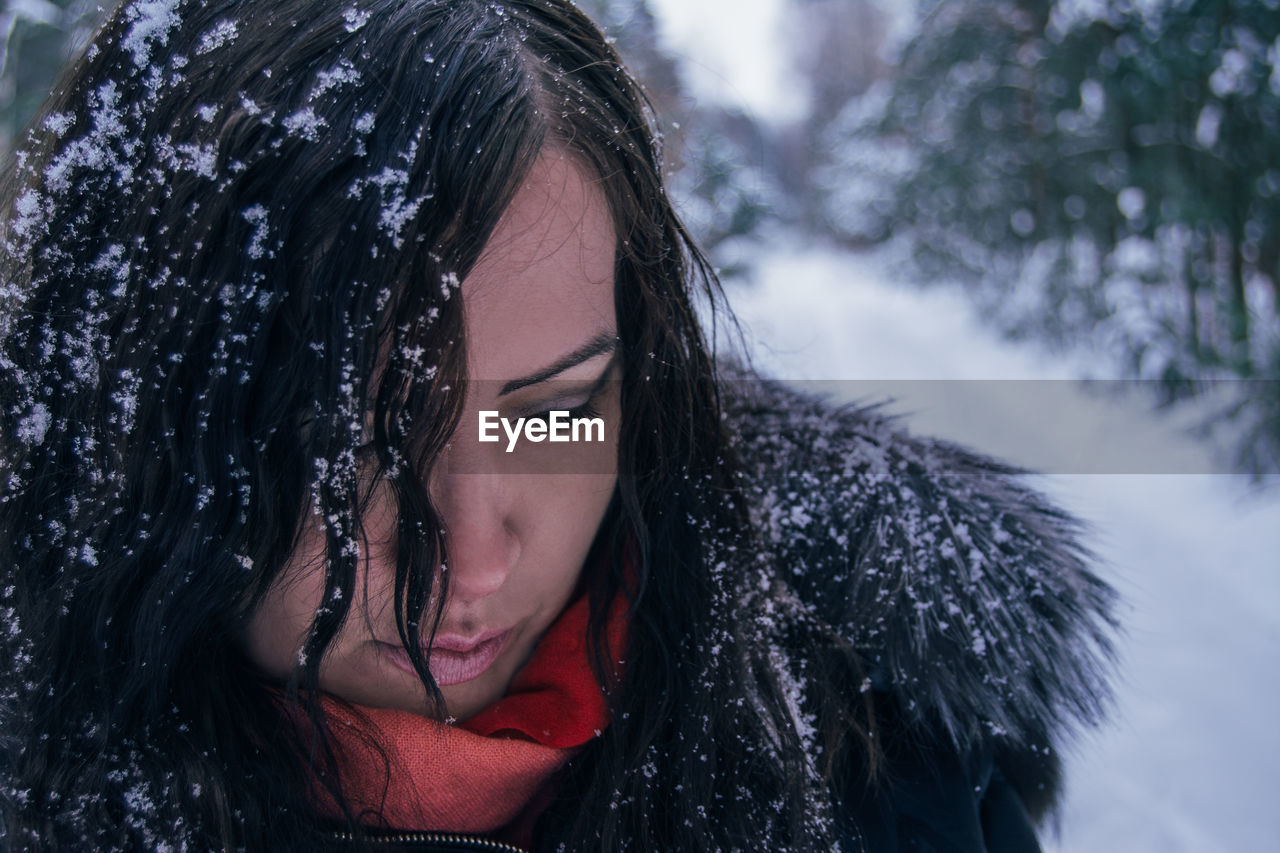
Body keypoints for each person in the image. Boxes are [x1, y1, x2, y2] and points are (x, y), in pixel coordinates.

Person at [0, 0, 1119, 850]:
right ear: (130, 413)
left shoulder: (884, 763)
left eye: (556, 410)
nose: (474, 563)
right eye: (346, 445)